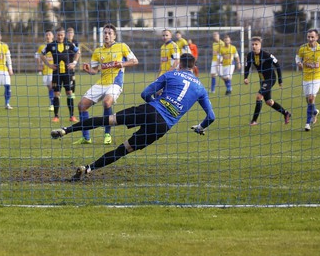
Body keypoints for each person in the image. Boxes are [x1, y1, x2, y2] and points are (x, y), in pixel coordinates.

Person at [51, 53, 215, 181]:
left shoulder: (171, 74)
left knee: (107, 120)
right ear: (194, 67)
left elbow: (145, 94)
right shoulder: (200, 88)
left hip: (149, 110)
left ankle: (66, 130)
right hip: (162, 125)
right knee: (123, 149)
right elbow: (211, 116)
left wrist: (155, 103)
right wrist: (200, 127)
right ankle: (88, 169)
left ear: (179, 64)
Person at [77, 24, 139, 145]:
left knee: (107, 102)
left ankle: (107, 134)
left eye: (109, 33)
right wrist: (88, 70)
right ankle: (86, 137)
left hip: (115, 83)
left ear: (114, 36)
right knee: (81, 105)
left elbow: (135, 61)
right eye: (105, 33)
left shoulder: (122, 46)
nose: (106, 35)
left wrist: (122, 64)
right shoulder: (98, 51)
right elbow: (94, 71)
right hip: (101, 83)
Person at [243, 37, 291, 125]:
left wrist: (280, 80)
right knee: (269, 102)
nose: (254, 46)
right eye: (252, 44)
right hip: (262, 80)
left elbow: (277, 65)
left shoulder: (266, 55)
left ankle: (254, 120)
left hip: (270, 79)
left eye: (256, 44)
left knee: (259, 96)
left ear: (260, 45)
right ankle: (286, 113)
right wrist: (245, 77)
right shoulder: (250, 55)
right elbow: (247, 67)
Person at [295, 29, 320, 131]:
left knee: (311, 98)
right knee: (308, 100)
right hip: (306, 78)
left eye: (312, 37)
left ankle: (307, 124)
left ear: (317, 37)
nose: (310, 39)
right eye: (308, 37)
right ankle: (314, 111)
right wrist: (299, 63)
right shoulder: (303, 48)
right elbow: (297, 57)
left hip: (317, 77)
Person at [40, 27, 80, 122]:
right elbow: (41, 54)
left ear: (64, 35)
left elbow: (78, 51)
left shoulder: (69, 44)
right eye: (58, 35)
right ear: (56, 35)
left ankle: (72, 116)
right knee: (56, 94)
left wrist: (74, 62)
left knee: (69, 93)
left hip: (67, 73)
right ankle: (56, 116)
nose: (60, 37)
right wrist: (49, 64)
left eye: (61, 35)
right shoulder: (51, 45)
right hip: (56, 74)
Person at [36, 30, 55, 111]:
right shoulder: (42, 47)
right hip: (45, 71)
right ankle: (53, 100)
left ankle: (52, 104)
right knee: (49, 88)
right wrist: (39, 65)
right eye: (46, 35)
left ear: (52, 36)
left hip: (53, 70)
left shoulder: (55, 45)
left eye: (49, 35)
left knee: (51, 86)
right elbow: (37, 56)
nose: (47, 36)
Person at [66, 27, 81, 116]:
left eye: (71, 33)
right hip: (65, 62)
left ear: (73, 34)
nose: (70, 34)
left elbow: (78, 52)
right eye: (69, 33)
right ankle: (71, 91)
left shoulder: (75, 42)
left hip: (72, 62)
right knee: (71, 78)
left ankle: (73, 92)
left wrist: (74, 62)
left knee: (73, 77)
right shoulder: (64, 42)